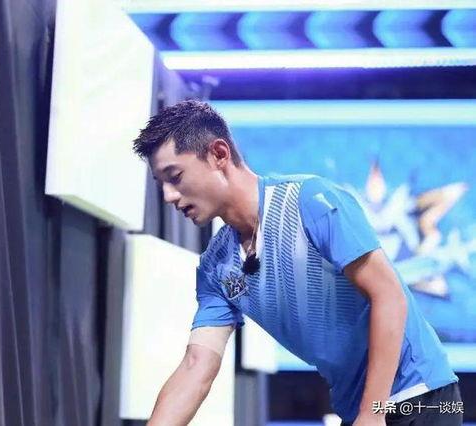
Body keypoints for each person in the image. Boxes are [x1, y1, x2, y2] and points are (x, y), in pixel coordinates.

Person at [132, 100, 462, 426]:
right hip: (359, 410)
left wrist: (372, 413)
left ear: (219, 154)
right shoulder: (215, 267)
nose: (168, 196)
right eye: (162, 185)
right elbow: (196, 365)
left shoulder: (310, 201)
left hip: (421, 396)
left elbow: (389, 296)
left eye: (175, 176)